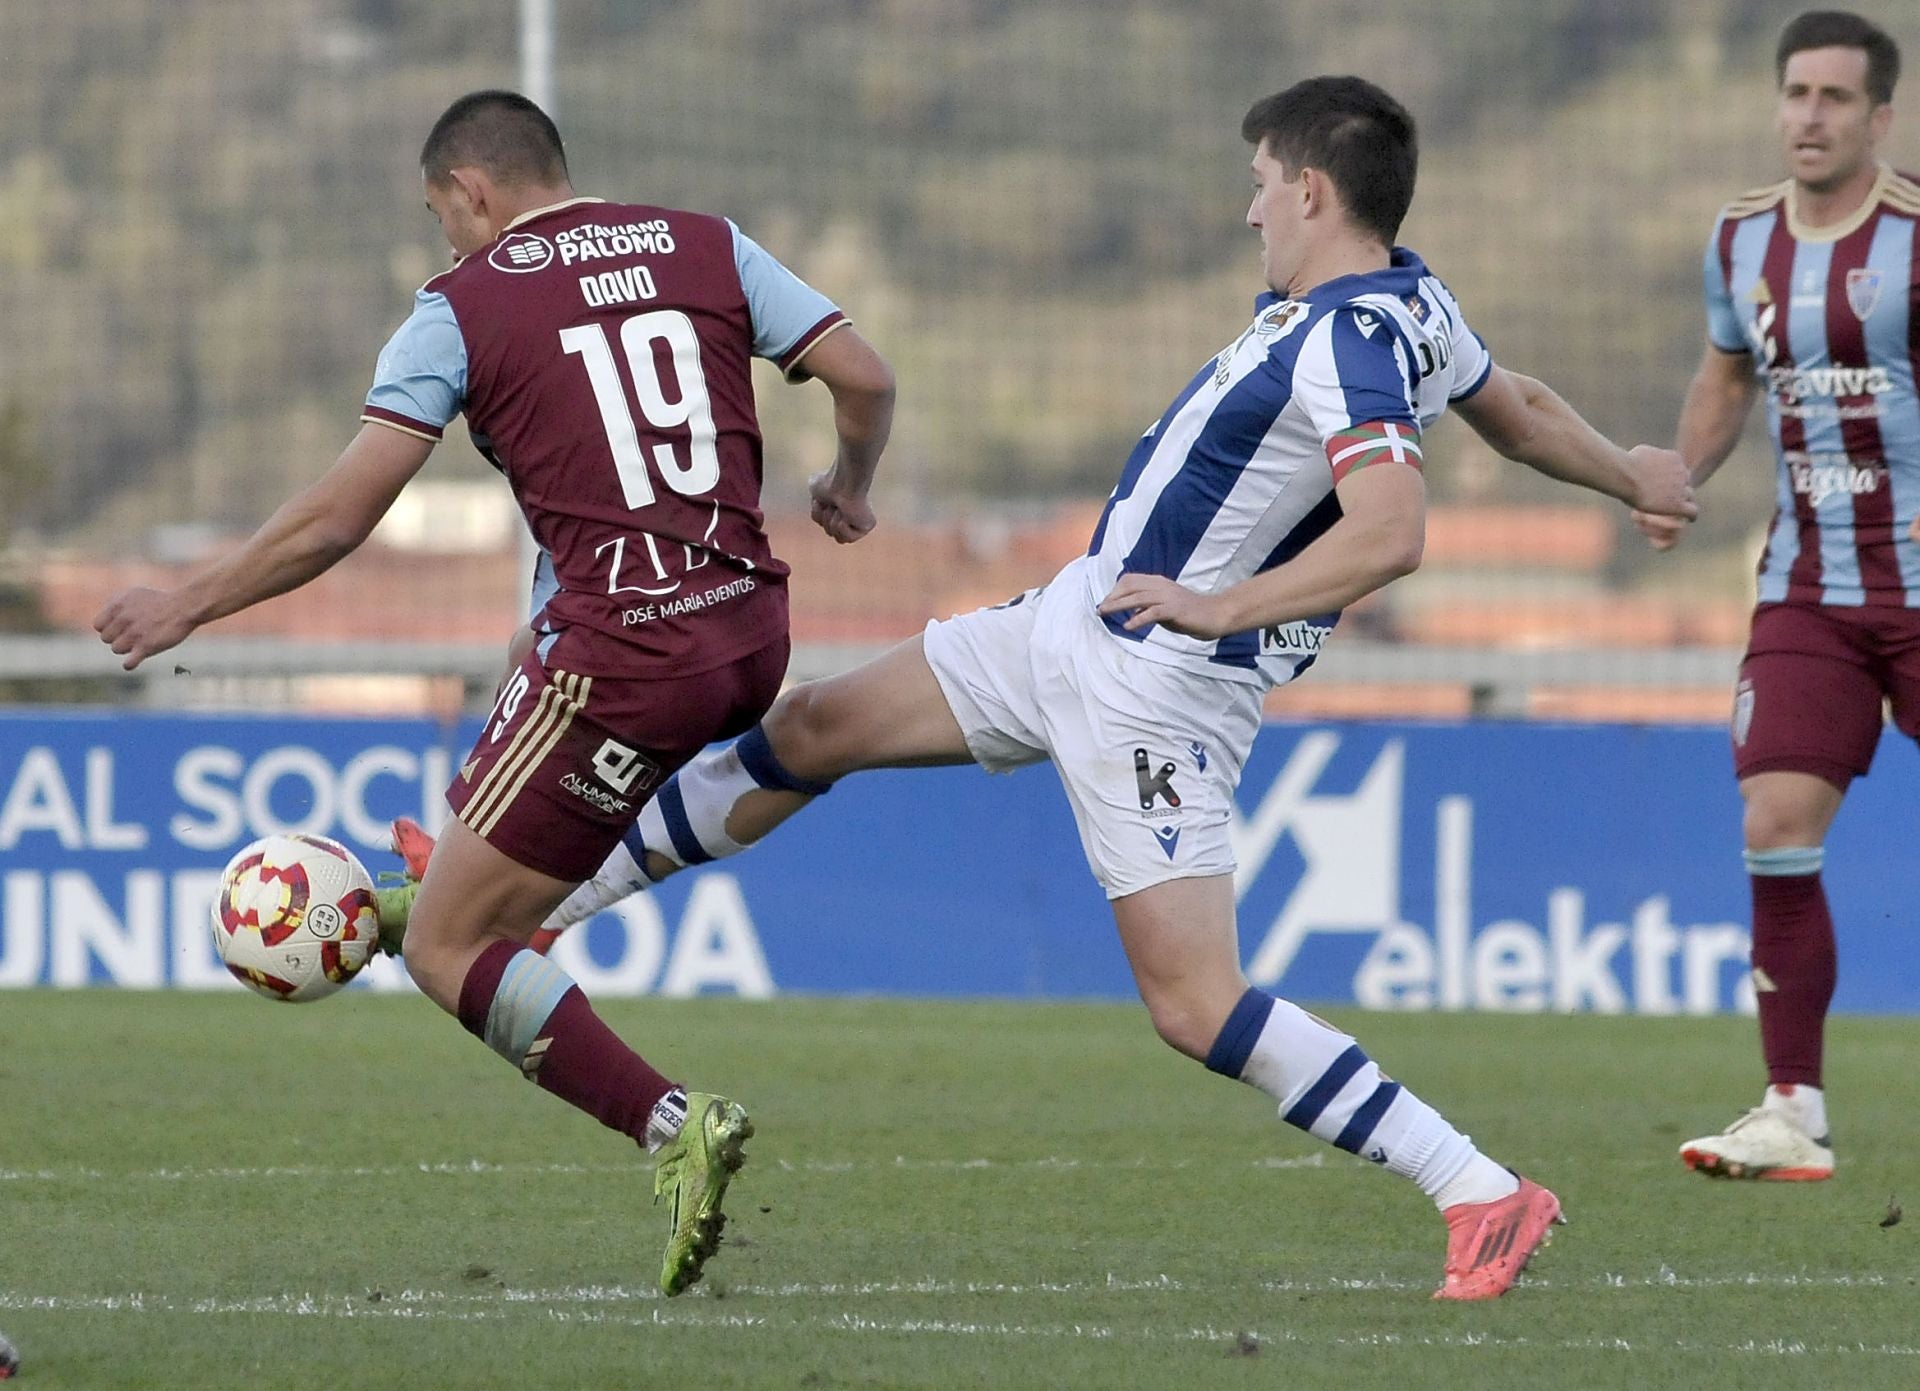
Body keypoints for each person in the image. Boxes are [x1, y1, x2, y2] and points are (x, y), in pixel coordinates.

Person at [387, 76, 1698, 1298]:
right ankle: (559, 904)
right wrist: (1630, 470)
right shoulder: (1409, 302)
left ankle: (1477, 1187)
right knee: (813, 730)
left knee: (1192, 1002)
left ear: (1311, 192)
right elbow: (1513, 402)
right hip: (1073, 623)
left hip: (1158, 689)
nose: (1247, 206)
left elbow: (1392, 528)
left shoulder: (1352, 341)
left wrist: (1223, 601)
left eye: (1261, 180)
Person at [92, 90, 897, 1295]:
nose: (448, 244)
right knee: (527, 729)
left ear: (470, 188)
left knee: (448, 942)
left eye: (441, 218)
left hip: (625, 656)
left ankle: (672, 1123)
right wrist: (849, 479)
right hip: (750, 630)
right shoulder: (705, 241)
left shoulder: (459, 306)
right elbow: (866, 376)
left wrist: (188, 603)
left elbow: (339, 515)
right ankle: (465, 862)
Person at [1633, 11, 1917, 1183]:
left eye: (1835, 98)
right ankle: (1791, 1107)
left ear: (1880, 116)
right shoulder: (1741, 239)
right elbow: (1725, 375)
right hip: (1808, 586)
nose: (1810, 115)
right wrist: (1678, 476)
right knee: (1774, 824)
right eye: (1796, 93)